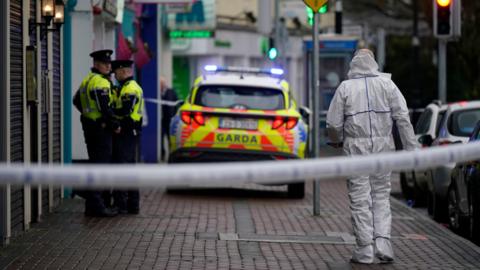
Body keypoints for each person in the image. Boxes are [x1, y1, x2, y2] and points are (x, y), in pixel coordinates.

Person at [326, 49, 417, 264]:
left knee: (359, 199)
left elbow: (332, 123)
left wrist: (337, 139)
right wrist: (412, 149)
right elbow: (403, 117)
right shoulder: (387, 85)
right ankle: (383, 243)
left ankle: (364, 249)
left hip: (356, 148)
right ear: (373, 62)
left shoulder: (345, 88)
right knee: (381, 196)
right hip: (384, 146)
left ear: (353, 64)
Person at [73, 49, 119, 217]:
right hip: (100, 130)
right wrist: (113, 124)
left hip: (90, 127)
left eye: (109, 64)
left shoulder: (87, 80)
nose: (108, 67)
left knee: (95, 163)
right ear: (96, 65)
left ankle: (91, 205)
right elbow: (105, 107)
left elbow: (76, 100)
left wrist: (88, 115)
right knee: (101, 166)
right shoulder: (100, 82)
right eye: (104, 64)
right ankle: (97, 207)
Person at [110, 59, 144, 214]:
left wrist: (110, 115)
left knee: (122, 168)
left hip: (126, 132)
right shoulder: (126, 87)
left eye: (116, 72)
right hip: (130, 132)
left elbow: (125, 110)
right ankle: (132, 205)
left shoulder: (129, 89)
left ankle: (121, 205)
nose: (115, 75)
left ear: (123, 71)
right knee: (129, 169)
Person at [160, 77, 179, 161]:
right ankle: (162, 154)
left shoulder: (171, 92)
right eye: (160, 83)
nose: (161, 85)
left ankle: (171, 156)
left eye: (162, 83)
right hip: (160, 121)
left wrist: (174, 117)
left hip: (169, 120)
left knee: (170, 139)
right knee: (160, 139)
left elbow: (176, 104)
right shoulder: (156, 93)